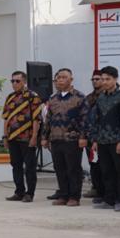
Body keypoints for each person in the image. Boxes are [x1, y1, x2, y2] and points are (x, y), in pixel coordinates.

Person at [88, 67, 120, 212]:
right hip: (102, 140)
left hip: (117, 140)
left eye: (108, 79)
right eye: (103, 79)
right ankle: (109, 199)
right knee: (106, 171)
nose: (105, 82)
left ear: (115, 79)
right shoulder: (101, 97)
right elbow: (97, 120)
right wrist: (95, 140)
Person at [41, 68, 86, 207]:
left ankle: (74, 196)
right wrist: (44, 137)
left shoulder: (79, 97)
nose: (60, 80)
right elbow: (48, 119)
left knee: (73, 169)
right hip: (56, 138)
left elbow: (85, 119)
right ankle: (63, 195)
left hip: (72, 139)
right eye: (58, 77)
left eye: (64, 77)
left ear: (71, 80)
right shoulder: (53, 98)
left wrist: (83, 137)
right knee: (59, 168)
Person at [0, 71, 41, 203]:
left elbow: (37, 119)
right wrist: (5, 136)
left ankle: (30, 193)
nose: (14, 84)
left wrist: (34, 137)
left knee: (29, 167)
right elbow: (6, 118)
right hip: (12, 138)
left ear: (24, 81)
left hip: (27, 137)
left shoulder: (32, 96)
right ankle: (19, 191)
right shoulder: (10, 97)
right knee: (15, 166)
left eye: (17, 81)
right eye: (12, 81)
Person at [82, 70, 104, 201]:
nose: (95, 81)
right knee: (93, 164)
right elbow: (84, 118)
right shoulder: (89, 98)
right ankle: (96, 188)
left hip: (104, 137)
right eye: (93, 79)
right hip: (90, 137)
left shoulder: (107, 96)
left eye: (98, 79)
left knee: (104, 166)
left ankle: (105, 191)